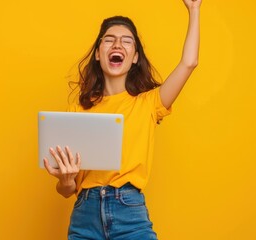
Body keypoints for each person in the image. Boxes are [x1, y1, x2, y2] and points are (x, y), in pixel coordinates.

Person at [44, 0, 202, 239]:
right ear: (98, 53)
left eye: (126, 41)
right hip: (84, 216)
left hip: (129, 213)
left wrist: (194, 9)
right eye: (109, 39)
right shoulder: (77, 110)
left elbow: (189, 63)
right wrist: (65, 179)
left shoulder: (150, 103)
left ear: (135, 57)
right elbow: (67, 190)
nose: (117, 44)